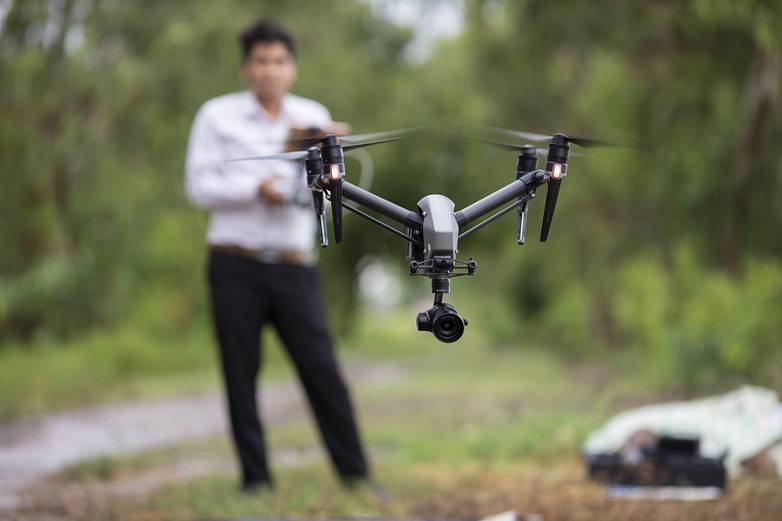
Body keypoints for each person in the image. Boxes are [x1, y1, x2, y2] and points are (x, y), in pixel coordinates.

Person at [184, 18, 372, 494]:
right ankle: (256, 480)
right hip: (234, 262)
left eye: (279, 61)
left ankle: (356, 475)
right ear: (246, 68)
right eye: (261, 61)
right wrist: (255, 187)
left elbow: (328, 191)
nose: (270, 70)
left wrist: (328, 161)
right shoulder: (216, 116)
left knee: (323, 370)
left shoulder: (313, 115)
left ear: (292, 68)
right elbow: (198, 186)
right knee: (240, 372)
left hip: (294, 264)